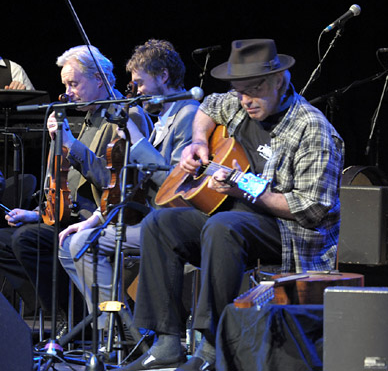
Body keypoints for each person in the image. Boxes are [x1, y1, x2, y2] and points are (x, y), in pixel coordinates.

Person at [119, 39, 343, 371]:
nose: (244, 100)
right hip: (237, 212)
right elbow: (209, 105)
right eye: (239, 91)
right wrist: (197, 142)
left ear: (279, 81)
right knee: (159, 223)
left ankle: (212, 347)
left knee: (222, 227)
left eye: (253, 90)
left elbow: (312, 210)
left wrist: (247, 192)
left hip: (288, 230)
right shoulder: (238, 103)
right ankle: (166, 341)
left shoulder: (313, 129)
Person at [0, 45, 152, 334]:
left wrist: (71, 144)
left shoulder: (127, 117)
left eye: (74, 83)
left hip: (107, 219)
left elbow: (119, 185)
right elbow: (63, 186)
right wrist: (36, 213)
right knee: (4, 240)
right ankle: (70, 314)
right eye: (65, 85)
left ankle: (78, 322)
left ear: (99, 79)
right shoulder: (87, 118)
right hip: (72, 219)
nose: (67, 92)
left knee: (27, 241)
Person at [57, 39, 198, 331]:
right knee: (76, 243)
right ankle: (119, 331)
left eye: (140, 83)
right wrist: (96, 218)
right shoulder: (162, 118)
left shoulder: (188, 116)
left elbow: (174, 185)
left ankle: (127, 332)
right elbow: (127, 184)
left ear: (163, 76)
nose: (136, 90)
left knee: (82, 245)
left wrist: (135, 137)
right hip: (145, 217)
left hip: (171, 221)